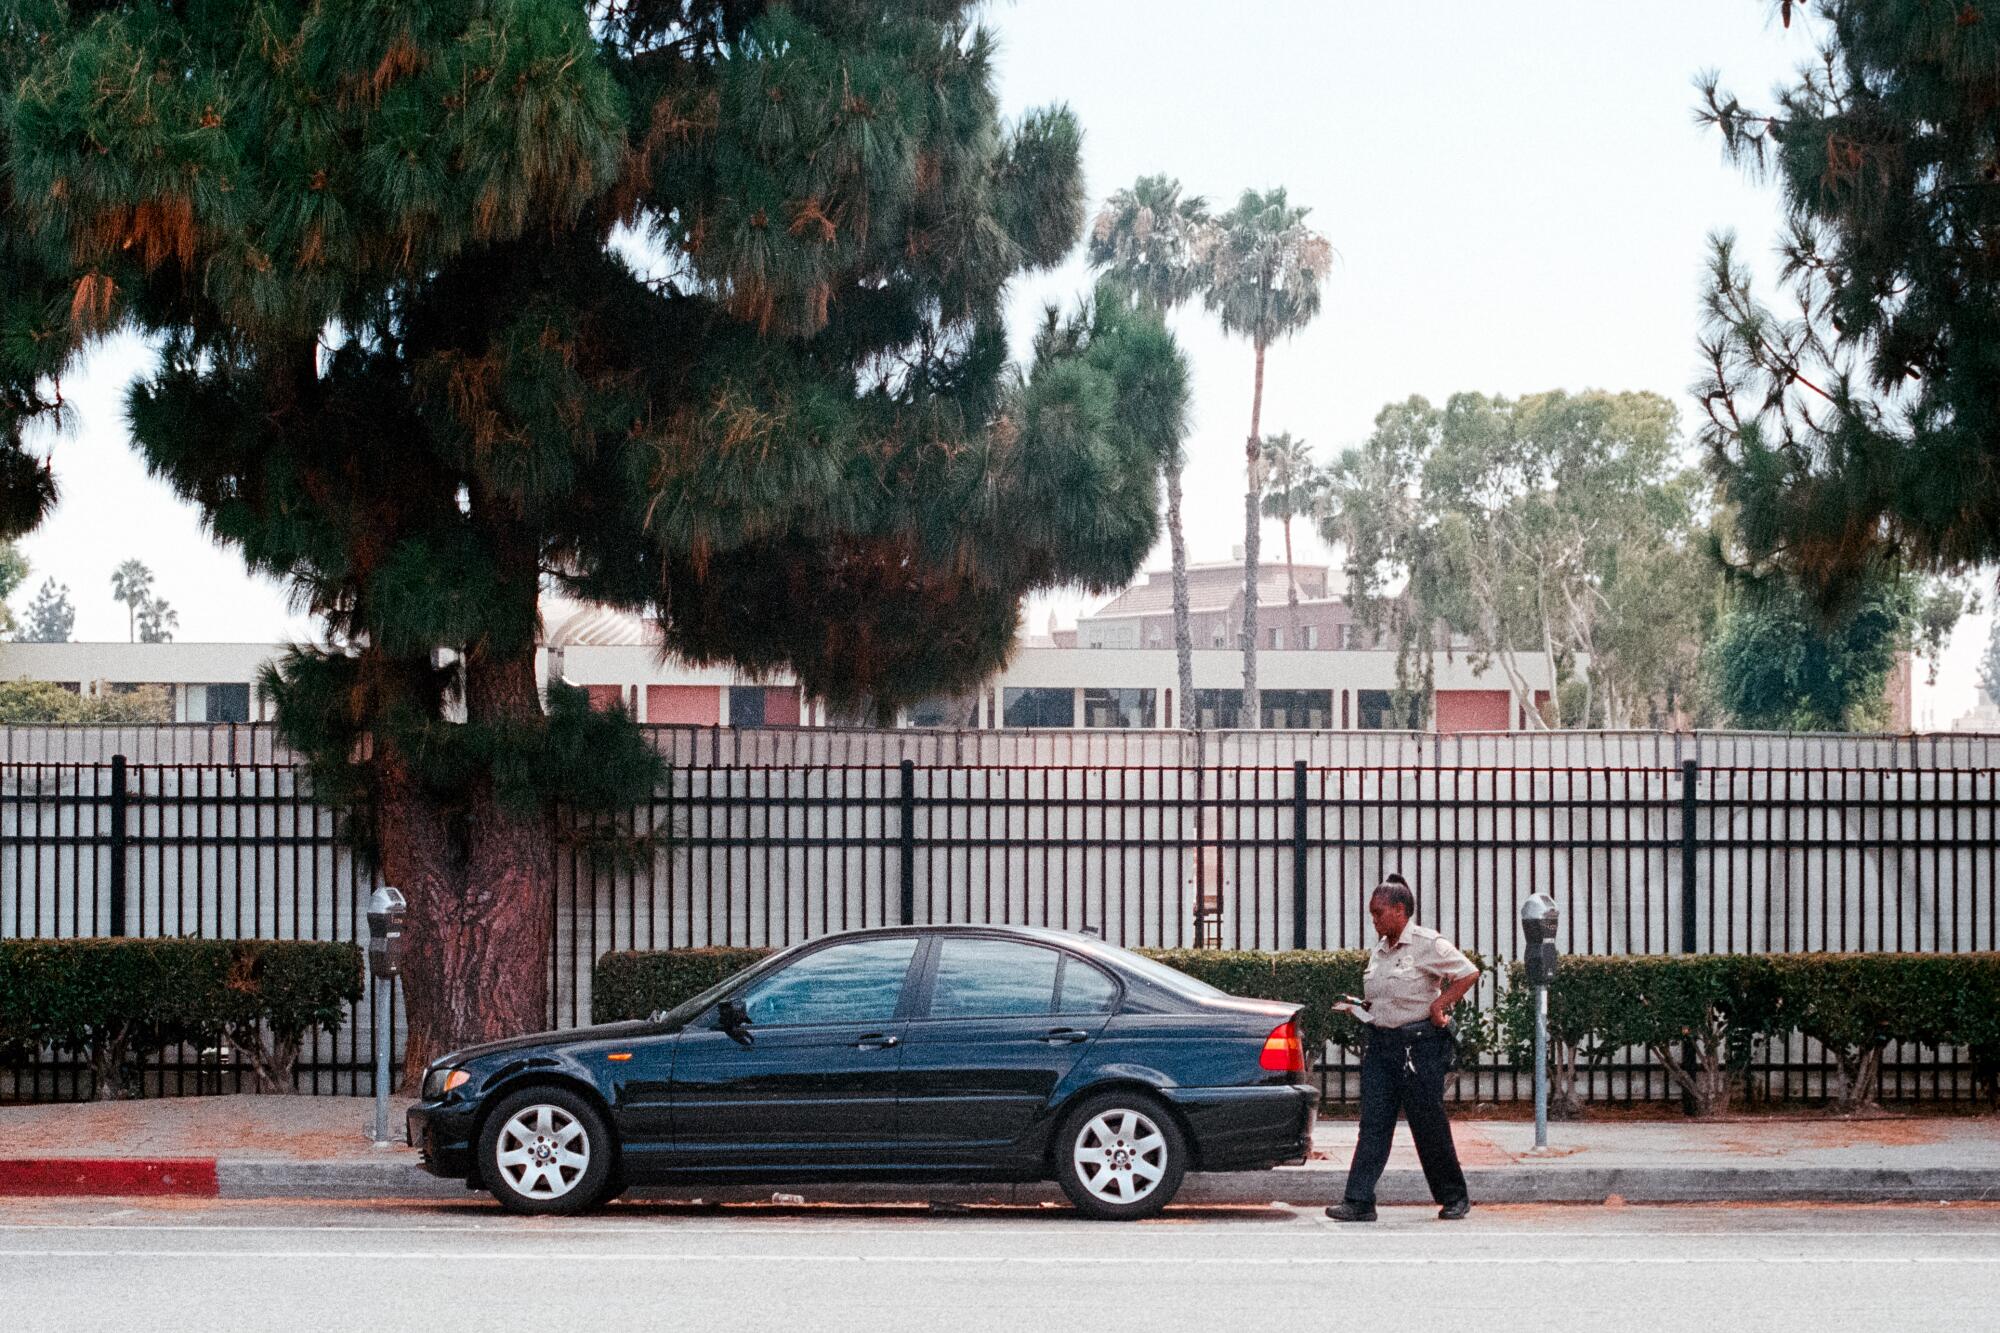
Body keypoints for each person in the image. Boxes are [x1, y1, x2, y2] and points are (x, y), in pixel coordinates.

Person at [1325, 873, 1480, 1222]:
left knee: (1428, 1124)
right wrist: (1360, 1008)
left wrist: (1439, 1006)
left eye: (1379, 913)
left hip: (1419, 1047)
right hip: (1382, 1046)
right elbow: (1382, 996)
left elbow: (1468, 973)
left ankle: (1454, 1197)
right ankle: (1359, 1201)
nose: (1374, 920)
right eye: (1372, 914)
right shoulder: (1379, 951)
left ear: (1399, 910)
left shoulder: (1427, 943)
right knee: (1374, 1124)